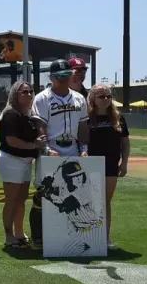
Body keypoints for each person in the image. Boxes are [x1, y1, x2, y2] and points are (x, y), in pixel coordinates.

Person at [28, 59, 90, 249]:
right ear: (51, 77)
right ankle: (38, 238)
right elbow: (40, 126)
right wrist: (46, 147)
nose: (63, 80)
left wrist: (85, 148)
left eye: (67, 75)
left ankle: (68, 234)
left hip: (72, 147)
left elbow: (82, 126)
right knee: (44, 193)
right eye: (59, 76)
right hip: (51, 148)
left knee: (73, 193)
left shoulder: (79, 98)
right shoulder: (42, 98)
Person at [0, 81, 43, 248]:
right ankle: (9, 235)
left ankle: (20, 232)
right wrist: (34, 145)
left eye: (30, 91)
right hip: (11, 159)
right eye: (24, 92)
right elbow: (11, 141)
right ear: (15, 94)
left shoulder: (29, 113)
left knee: (21, 199)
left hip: (25, 161)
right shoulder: (11, 114)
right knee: (12, 200)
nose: (29, 94)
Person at [85, 83, 130, 248]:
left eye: (108, 96)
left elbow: (125, 143)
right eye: (101, 96)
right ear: (93, 98)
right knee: (90, 200)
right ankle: (88, 235)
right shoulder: (86, 116)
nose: (105, 99)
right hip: (90, 164)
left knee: (105, 202)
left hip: (110, 164)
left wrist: (124, 163)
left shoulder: (118, 118)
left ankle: (105, 237)